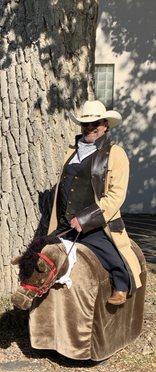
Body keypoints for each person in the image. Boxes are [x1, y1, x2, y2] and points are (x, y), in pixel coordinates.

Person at [47, 100, 142, 305]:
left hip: (97, 224)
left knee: (112, 257)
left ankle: (121, 285)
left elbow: (116, 195)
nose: (89, 128)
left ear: (105, 124)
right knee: (42, 252)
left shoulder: (116, 153)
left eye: (95, 123)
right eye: (85, 124)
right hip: (65, 223)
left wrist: (86, 219)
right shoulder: (70, 152)